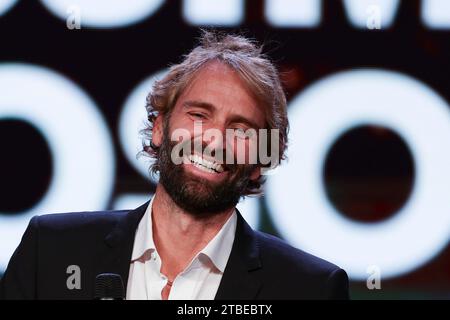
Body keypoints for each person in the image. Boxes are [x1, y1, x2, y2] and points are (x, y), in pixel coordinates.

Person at [0, 30, 349, 300]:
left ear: (261, 160)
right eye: (198, 115)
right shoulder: (50, 251)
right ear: (158, 126)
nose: (213, 140)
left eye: (241, 130)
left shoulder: (308, 289)